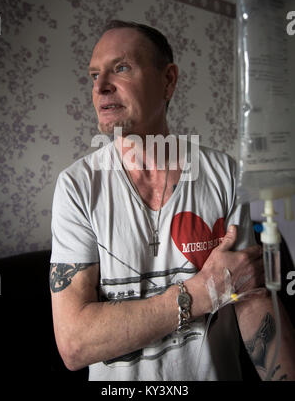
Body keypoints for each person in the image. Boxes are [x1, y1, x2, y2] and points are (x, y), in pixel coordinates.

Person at [50, 20, 295, 381]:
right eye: (93, 75)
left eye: (121, 68)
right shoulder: (77, 186)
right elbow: (74, 344)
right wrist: (203, 291)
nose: (100, 87)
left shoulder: (222, 173)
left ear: (168, 80)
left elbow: (250, 297)